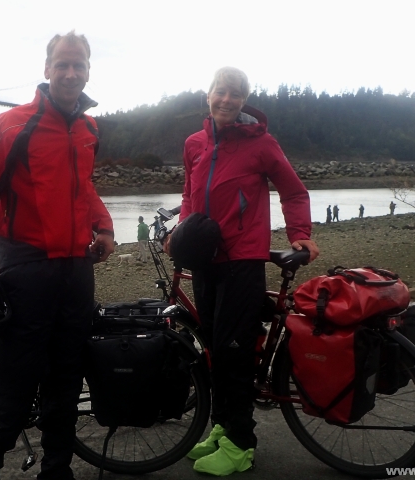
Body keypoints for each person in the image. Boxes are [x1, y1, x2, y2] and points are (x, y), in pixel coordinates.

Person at [0, 30, 114, 480]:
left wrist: (105, 226)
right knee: (16, 375)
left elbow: (84, 187)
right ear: (46, 70)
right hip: (27, 266)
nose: (71, 72)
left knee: (66, 373)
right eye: (62, 64)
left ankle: (57, 470)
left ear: (88, 70)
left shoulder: (89, 128)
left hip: (77, 269)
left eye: (79, 65)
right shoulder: (13, 125)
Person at [166, 66, 319, 477]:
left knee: (234, 354)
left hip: (241, 261)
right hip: (205, 261)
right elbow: (188, 192)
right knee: (216, 348)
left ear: (243, 100)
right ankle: (221, 426)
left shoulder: (261, 144)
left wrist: (299, 234)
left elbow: (293, 190)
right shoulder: (194, 143)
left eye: (236, 94)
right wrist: (183, 231)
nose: (227, 100)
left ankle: (241, 445)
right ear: (209, 95)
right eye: (221, 91)